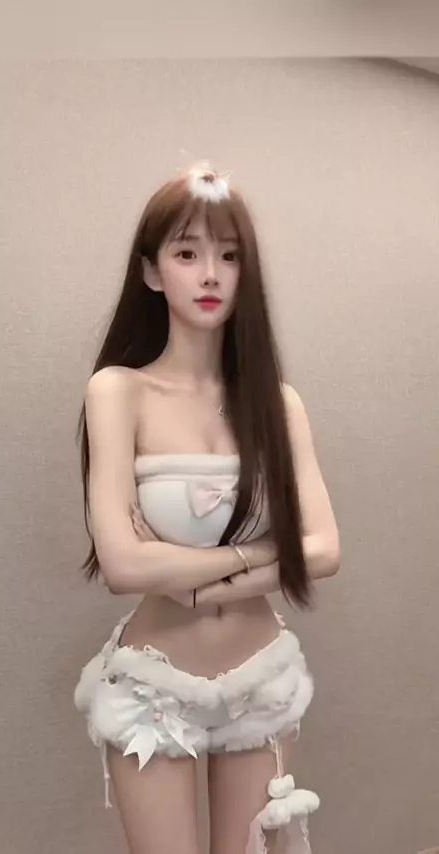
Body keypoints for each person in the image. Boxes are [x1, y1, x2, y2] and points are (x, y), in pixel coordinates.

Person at [74, 162, 340, 854]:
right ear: (152, 271)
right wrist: (263, 556)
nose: (211, 274)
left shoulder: (278, 404)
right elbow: (123, 566)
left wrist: (199, 574)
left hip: (261, 677)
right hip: (152, 684)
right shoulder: (118, 391)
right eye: (187, 254)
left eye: (229, 255)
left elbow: (325, 549)